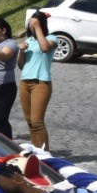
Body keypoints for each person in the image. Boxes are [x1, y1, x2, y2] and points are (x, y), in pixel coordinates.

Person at [18, 10, 58, 151]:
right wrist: (21, 51)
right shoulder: (29, 41)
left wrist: (38, 28)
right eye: (30, 24)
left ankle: (45, 154)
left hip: (41, 83)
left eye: (34, 23)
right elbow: (21, 65)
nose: (31, 26)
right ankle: (36, 151)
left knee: (37, 122)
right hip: (25, 82)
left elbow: (45, 48)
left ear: (41, 24)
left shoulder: (52, 38)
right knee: (30, 122)